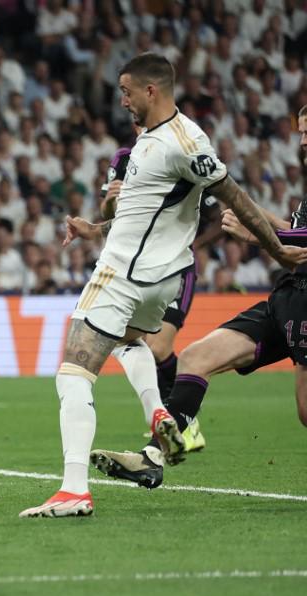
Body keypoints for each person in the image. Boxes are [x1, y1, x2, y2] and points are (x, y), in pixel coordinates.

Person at [20, 54, 307, 518]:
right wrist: (94, 228)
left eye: (126, 91)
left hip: (122, 275)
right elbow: (140, 208)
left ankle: (74, 490)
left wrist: (279, 252)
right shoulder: (174, 138)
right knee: (130, 343)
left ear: (151, 91)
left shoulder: (178, 144)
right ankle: (158, 411)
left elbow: (236, 197)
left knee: (72, 373)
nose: (122, 100)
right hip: (162, 281)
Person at [92, 105, 307, 489]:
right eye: (301, 132)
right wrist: (253, 211)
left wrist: (254, 233)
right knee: (194, 357)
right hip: (288, 296)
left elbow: (299, 244)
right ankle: (152, 458)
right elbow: (294, 229)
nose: (303, 141)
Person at [100, 134, 220, 454]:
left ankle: (184, 421)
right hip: (139, 268)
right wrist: (112, 199)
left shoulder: (180, 157)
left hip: (177, 267)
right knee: (138, 343)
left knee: (158, 345)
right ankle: (176, 418)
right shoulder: (124, 159)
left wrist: (191, 244)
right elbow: (107, 210)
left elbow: (218, 217)